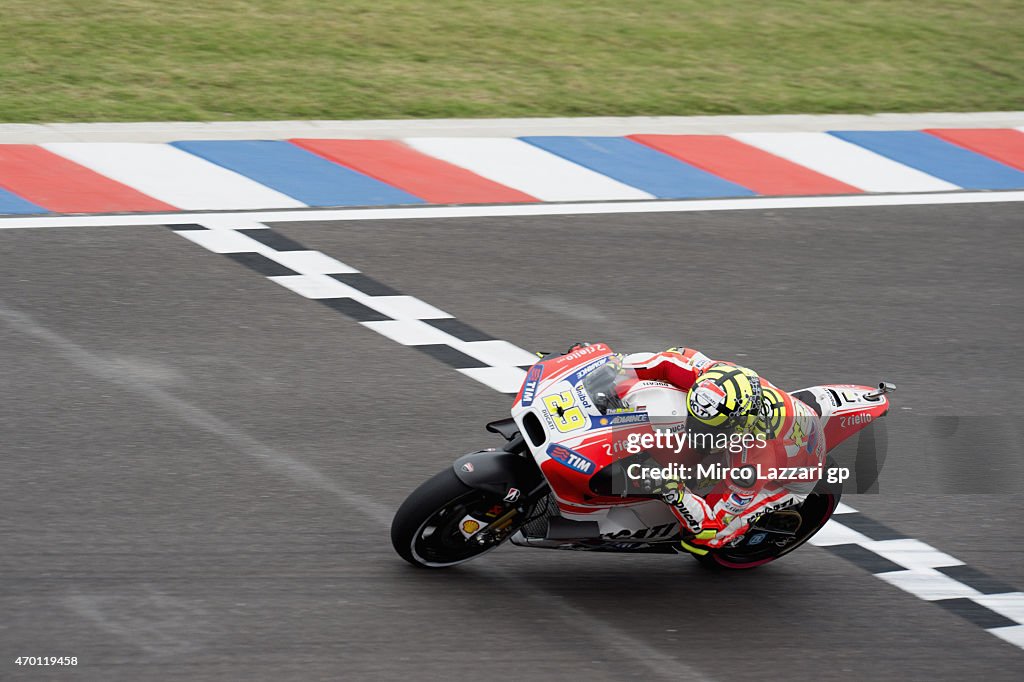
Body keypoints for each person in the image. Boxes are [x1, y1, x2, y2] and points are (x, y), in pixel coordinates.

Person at [620, 347, 826, 555]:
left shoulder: (754, 461)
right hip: (779, 427)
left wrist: (672, 490)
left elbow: (712, 524)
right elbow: (669, 360)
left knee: (705, 540)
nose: (694, 431)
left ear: (738, 426)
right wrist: (616, 367)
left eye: (708, 428)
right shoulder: (717, 379)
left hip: (790, 476)